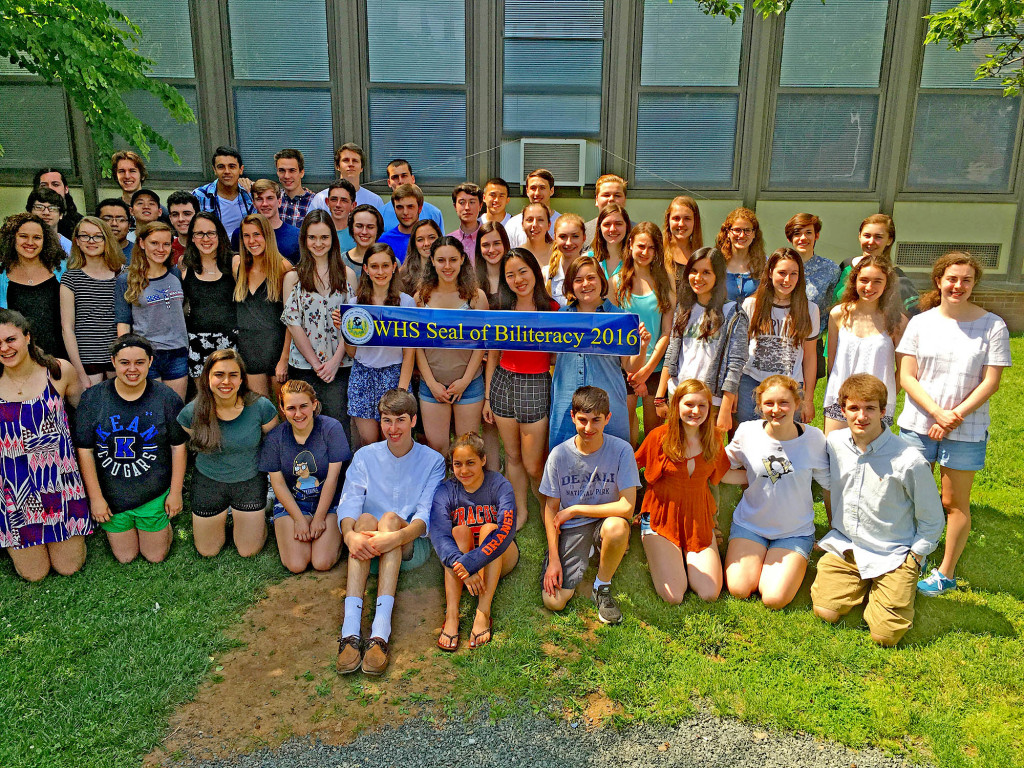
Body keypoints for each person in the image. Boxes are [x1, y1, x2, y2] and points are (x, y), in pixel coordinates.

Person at [898, 252, 1010, 596]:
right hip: (919, 422)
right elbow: (906, 376)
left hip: (967, 429)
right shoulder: (920, 322)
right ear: (938, 281)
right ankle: (908, 556)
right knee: (909, 494)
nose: (958, 286)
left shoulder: (993, 326)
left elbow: (990, 381)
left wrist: (953, 417)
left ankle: (944, 572)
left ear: (974, 284)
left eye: (966, 280)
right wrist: (937, 413)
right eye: (952, 279)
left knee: (953, 502)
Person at [812, 374, 945, 646]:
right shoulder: (835, 443)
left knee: (885, 636)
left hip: (893, 553)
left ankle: (890, 587)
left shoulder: (908, 460)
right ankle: (862, 585)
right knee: (825, 611)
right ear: (843, 410)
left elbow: (932, 518)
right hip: (849, 546)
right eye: (854, 408)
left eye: (870, 408)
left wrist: (916, 556)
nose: (861, 416)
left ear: (883, 411)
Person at [337, 389, 445, 675]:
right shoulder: (365, 456)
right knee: (364, 520)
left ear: (413, 421)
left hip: (409, 546)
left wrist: (393, 537)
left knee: (388, 519)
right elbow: (349, 502)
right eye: (386, 420)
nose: (392, 429)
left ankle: (380, 633)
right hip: (366, 549)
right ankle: (350, 632)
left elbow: (424, 517)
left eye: (400, 420)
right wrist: (350, 537)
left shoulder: (433, 460)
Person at [74, 333, 186, 564]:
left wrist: (175, 493)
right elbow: (85, 450)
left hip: (152, 491)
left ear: (150, 363)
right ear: (113, 362)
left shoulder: (166, 398)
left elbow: (178, 447)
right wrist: (96, 498)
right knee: (125, 557)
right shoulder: (93, 399)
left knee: (155, 556)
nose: (132, 369)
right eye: (124, 362)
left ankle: (160, 526)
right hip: (112, 494)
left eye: (139, 362)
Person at [0, 309, 92, 581]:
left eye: (10, 339)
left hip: (60, 485)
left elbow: (84, 418)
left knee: (69, 567)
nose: (4, 348)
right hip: (14, 490)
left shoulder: (59, 372)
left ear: (27, 337)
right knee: (35, 574)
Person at [723, 375, 829, 609]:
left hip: (794, 531)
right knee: (740, 589)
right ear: (759, 405)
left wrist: (835, 529)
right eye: (769, 403)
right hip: (750, 525)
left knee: (774, 599)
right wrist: (751, 477)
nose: (776, 409)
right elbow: (720, 468)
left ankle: (790, 557)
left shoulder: (814, 438)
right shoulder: (747, 431)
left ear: (797, 404)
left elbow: (829, 484)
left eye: (784, 403)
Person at [540, 386, 641, 624]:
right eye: (582, 420)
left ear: (608, 418)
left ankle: (601, 586)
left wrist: (576, 509)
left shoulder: (621, 450)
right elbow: (550, 510)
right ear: (573, 417)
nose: (588, 428)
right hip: (573, 528)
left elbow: (627, 507)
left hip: (604, 520)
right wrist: (554, 559)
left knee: (617, 527)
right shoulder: (559, 455)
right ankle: (591, 553)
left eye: (596, 420)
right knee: (553, 601)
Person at [636, 380, 737, 603]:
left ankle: (684, 554)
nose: (695, 411)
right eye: (689, 404)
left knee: (709, 593)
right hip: (660, 516)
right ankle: (664, 550)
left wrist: (763, 476)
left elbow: (724, 475)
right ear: (676, 405)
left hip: (698, 518)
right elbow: (631, 469)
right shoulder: (659, 437)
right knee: (674, 595)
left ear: (710, 408)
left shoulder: (714, 439)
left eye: (702, 406)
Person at [177, 349, 278, 558]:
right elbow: (182, 446)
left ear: (242, 379)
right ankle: (229, 516)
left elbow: (275, 446)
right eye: (219, 375)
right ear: (208, 378)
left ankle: (257, 514)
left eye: (233, 375)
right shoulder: (192, 412)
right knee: (208, 550)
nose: (226, 381)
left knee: (248, 550)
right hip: (209, 481)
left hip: (249, 481)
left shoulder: (261, 407)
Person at [483, 247, 556, 529]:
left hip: (536, 384)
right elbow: (493, 353)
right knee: (512, 456)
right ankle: (520, 510)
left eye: (522, 272)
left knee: (534, 463)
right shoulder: (502, 307)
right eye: (510, 275)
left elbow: (555, 356)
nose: (518, 280)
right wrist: (489, 395)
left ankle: (547, 509)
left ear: (534, 272)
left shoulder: (552, 309)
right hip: (503, 382)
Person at [549, 254, 650, 449]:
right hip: (567, 404)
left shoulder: (621, 319)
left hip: (609, 403)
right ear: (571, 286)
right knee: (566, 463)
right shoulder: (559, 318)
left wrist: (643, 346)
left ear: (601, 281)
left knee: (612, 463)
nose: (585, 284)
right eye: (578, 280)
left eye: (590, 277)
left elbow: (630, 366)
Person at [430, 432, 518, 651]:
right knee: (458, 531)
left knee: (490, 528)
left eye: (471, 463)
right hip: (462, 562)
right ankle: (452, 615)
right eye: (457, 464)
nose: (464, 470)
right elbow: (439, 534)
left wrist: (473, 562)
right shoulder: (445, 491)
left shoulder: (499, 484)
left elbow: (506, 529)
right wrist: (464, 565)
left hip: (500, 558)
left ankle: (483, 612)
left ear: (483, 460)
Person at [260, 379, 350, 573]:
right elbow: (278, 484)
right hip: (293, 502)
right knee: (297, 565)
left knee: (321, 562)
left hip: (329, 502)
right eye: (291, 408)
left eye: (304, 406)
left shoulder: (331, 429)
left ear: (314, 405)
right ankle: (287, 525)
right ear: (282, 409)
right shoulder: (275, 438)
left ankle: (333, 536)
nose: (298, 414)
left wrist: (319, 518)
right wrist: (299, 520)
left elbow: (333, 478)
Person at [655, 247, 747, 433]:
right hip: (679, 396)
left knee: (707, 458)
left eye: (706, 272)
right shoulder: (683, 309)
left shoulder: (733, 314)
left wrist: (726, 409)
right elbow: (672, 353)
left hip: (711, 401)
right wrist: (660, 396)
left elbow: (735, 365)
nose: (698, 278)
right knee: (677, 452)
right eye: (694, 271)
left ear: (718, 276)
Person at [727, 248, 819, 425]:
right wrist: (734, 389)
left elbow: (809, 356)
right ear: (770, 273)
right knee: (747, 438)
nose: (787, 280)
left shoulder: (810, 309)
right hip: (751, 383)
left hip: (791, 386)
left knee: (787, 441)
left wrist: (808, 399)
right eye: (782, 273)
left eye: (794, 274)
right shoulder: (752, 304)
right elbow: (738, 349)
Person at [415, 237, 488, 457]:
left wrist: (465, 381)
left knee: (467, 450)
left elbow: (482, 343)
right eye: (441, 260)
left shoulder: (476, 297)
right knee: (437, 450)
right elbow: (416, 346)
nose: (447, 266)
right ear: (433, 262)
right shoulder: (420, 298)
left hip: (469, 385)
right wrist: (431, 383)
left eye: (453, 260)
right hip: (432, 386)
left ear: (462, 260)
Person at [281, 210, 352, 429]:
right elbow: (293, 324)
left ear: (333, 239)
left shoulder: (347, 275)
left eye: (324, 237)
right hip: (304, 365)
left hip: (339, 365)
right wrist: (316, 364)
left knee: (338, 423)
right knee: (306, 425)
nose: (318, 243)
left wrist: (333, 362)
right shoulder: (294, 277)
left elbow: (352, 325)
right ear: (304, 240)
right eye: (312, 237)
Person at [340, 243, 416, 446]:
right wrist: (345, 331)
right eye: (374, 266)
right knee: (369, 439)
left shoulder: (406, 303)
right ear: (365, 269)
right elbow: (352, 352)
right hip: (363, 374)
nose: (380, 272)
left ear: (394, 267)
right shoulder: (355, 303)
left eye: (385, 265)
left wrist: (402, 390)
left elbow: (410, 353)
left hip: (394, 374)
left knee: (392, 438)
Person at [823, 254, 905, 435]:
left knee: (873, 460)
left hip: (876, 406)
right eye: (864, 280)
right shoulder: (839, 314)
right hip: (840, 401)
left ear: (887, 284)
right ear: (854, 281)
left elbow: (903, 370)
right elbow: (832, 362)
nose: (869, 287)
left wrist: (885, 398)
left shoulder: (896, 321)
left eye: (877, 281)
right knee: (834, 457)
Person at [612, 221, 674, 443]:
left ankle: (650, 476)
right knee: (626, 432)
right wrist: (630, 370)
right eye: (640, 246)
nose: (645, 252)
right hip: (623, 368)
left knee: (653, 432)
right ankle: (629, 472)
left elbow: (666, 332)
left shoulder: (665, 283)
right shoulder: (616, 283)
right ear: (630, 245)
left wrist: (646, 371)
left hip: (654, 368)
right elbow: (612, 332)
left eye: (650, 247)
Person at [115, 222, 188, 399]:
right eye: (154, 243)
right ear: (141, 243)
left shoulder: (176, 274)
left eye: (166, 244)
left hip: (177, 352)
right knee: (152, 410)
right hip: (147, 355)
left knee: (176, 408)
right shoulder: (127, 279)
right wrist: (127, 356)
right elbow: (123, 324)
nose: (161, 249)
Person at [60, 216, 125, 390]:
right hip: (87, 361)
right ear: (77, 241)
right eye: (85, 236)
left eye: (98, 236)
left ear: (107, 240)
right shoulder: (71, 278)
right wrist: (80, 373)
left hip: (119, 358)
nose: (91, 241)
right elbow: (67, 328)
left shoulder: (123, 275)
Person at [234, 213, 294, 397]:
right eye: (246, 235)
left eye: (257, 234)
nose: (252, 241)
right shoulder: (239, 267)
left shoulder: (283, 268)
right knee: (260, 411)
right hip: (249, 350)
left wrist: (284, 359)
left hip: (275, 349)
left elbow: (292, 318)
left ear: (267, 235)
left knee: (284, 411)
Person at [0, 213, 68, 359]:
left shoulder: (63, 269)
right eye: (23, 236)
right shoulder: (1, 273)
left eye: (37, 237)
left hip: (61, 357)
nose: (30, 242)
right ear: (12, 238)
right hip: (16, 359)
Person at [180, 213, 237, 383]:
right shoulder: (185, 265)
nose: (206, 239)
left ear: (220, 235)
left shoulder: (234, 262)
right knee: (203, 400)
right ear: (192, 237)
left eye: (211, 233)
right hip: (197, 342)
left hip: (229, 341)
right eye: (199, 233)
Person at [786, 213, 842, 380]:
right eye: (797, 233)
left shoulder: (830, 269)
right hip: (780, 338)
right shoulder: (779, 265)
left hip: (811, 340)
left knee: (804, 398)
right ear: (790, 239)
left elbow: (831, 304)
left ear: (816, 235)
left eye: (808, 233)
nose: (803, 238)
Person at [834, 214, 919, 318]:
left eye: (878, 237)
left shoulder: (898, 278)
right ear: (859, 236)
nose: (871, 241)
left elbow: (916, 317)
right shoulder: (845, 266)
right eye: (867, 235)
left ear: (889, 240)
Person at [192, 146, 255, 239]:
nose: (227, 171)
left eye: (232, 166)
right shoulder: (200, 195)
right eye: (221, 167)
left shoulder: (250, 193)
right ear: (214, 170)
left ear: (241, 169)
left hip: (246, 249)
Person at [234, 179, 301, 262]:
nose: (265, 204)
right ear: (254, 204)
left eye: (270, 198)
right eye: (259, 199)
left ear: (279, 202)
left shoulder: (296, 235)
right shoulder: (242, 234)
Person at [310, 143, 385, 213]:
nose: (351, 164)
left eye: (355, 161)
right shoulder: (321, 199)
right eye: (346, 160)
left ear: (362, 168)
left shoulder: (375, 201)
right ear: (337, 166)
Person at [716, 207, 765, 303]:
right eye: (737, 230)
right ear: (728, 233)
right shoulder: (716, 263)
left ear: (754, 234)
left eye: (747, 230)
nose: (742, 235)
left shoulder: (764, 263)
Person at [382, 159, 445, 231]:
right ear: (389, 182)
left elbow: (440, 241)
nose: (400, 181)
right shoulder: (381, 214)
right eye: (395, 177)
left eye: (404, 176)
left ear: (413, 179)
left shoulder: (433, 213)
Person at [506, 169, 560, 246]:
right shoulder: (513, 224)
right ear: (527, 191)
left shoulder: (561, 223)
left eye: (542, 188)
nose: (537, 193)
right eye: (533, 188)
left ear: (552, 191)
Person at [545, 212, 586, 307]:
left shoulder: (595, 270)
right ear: (555, 237)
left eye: (575, 236)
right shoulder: (546, 274)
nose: (568, 243)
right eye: (563, 237)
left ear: (584, 237)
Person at [378, 183, 424, 261]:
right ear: (394, 209)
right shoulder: (383, 241)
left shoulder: (430, 239)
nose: (405, 212)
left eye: (410, 207)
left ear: (420, 208)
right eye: (400, 207)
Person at [33, 167, 82, 239]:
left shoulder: (79, 223)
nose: (50, 188)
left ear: (66, 189)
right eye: (44, 185)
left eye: (55, 185)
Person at [342, 203, 384, 285]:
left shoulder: (389, 261)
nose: (364, 232)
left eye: (370, 227)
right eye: (359, 226)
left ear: (378, 229)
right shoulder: (341, 261)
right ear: (351, 228)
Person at [663, 196, 703, 281]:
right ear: (668, 221)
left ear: (695, 222)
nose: (681, 224)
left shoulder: (703, 257)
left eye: (687, 218)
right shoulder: (658, 253)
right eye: (676, 218)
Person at [583, 174, 627, 249]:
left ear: (625, 200)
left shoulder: (636, 232)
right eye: (606, 195)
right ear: (596, 200)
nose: (611, 199)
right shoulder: (583, 231)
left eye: (617, 195)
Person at [588, 203, 631, 280]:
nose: (612, 229)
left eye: (618, 224)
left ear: (627, 226)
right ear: (599, 228)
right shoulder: (588, 259)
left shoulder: (635, 260)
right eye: (607, 224)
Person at [399, 218, 442, 295]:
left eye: (431, 237)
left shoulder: (450, 271)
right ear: (414, 244)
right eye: (420, 240)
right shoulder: (402, 275)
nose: (426, 243)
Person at [26, 186, 72, 256]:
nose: (46, 213)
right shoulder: (21, 244)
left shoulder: (71, 248)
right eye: (39, 207)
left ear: (61, 215)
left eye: (53, 208)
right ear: (29, 212)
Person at [275, 148, 315, 227]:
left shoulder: (314, 202)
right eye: (282, 170)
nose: (287, 176)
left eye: (292, 170)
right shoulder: (273, 201)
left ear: (301, 173)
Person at [473, 221, 509, 309]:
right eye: (486, 245)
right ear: (479, 248)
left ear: (505, 244)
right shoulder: (471, 281)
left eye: (496, 243)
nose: (491, 250)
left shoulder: (515, 278)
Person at [448, 182, 483, 257]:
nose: (467, 207)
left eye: (472, 202)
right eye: (462, 202)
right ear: (455, 206)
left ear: (480, 206)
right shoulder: (449, 241)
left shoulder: (489, 238)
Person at [324, 179, 357, 254]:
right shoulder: (317, 232)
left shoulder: (358, 235)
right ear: (327, 202)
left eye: (344, 200)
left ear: (353, 205)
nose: (338, 205)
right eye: (334, 199)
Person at [519, 202, 555, 270]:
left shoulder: (558, 254)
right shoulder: (516, 255)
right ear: (522, 225)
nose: (535, 224)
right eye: (530, 220)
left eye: (540, 220)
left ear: (549, 225)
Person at [167, 190, 199, 264]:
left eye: (187, 214)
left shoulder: (208, 246)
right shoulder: (166, 248)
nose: (181, 219)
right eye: (175, 214)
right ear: (170, 218)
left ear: (197, 215)